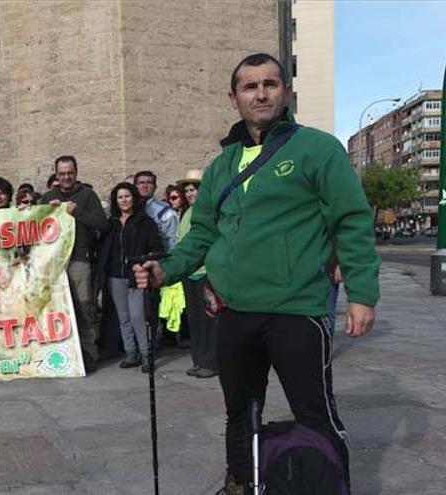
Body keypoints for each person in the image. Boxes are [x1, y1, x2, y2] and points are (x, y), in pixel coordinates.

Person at [134, 53, 379, 494]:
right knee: (240, 413)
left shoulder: (318, 149)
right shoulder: (221, 166)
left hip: (296, 311)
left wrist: (362, 293)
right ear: (234, 98)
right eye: (250, 86)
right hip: (235, 314)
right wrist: (165, 269)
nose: (261, 93)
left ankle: (334, 485)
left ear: (286, 92)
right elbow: (202, 233)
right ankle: (242, 483)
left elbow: (351, 220)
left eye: (270, 84)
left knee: (315, 413)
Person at [40, 155, 108, 372]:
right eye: (62, 174)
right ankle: (59, 355)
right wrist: (45, 212)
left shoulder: (87, 195)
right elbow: (34, 226)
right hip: (53, 262)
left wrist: (76, 211)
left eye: (70, 173)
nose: (66, 177)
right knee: (54, 310)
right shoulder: (48, 197)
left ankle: (88, 355)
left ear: (76, 173)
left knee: (83, 308)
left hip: (79, 259)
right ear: (56, 175)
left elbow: (102, 224)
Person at [97, 183, 165, 372]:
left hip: (137, 275)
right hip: (115, 275)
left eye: (127, 196)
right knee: (124, 318)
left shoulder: (145, 222)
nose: (124, 200)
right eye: (120, 197)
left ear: (133, 198)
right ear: (115, 200)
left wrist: (144, 264)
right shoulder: (111, 224)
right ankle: (131, 353)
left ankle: (146, 355)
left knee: (137, 317)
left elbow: (156, 248)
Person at [175, 169, 218, 379]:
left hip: (205, 273)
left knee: (208, 319)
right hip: (190, 273)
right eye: (188, 190)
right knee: (194, 319)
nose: (190, 194)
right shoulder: (187, 213)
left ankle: (211, 362)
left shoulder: (209, 211)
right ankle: (199, 359)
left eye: (194, 189)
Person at [134, 170, 179, 250]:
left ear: (155, 187)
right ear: (135, 186)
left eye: (149, 183)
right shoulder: (127, 208)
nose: (145, 186)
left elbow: (171, 240)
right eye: (141, 183)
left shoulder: (166, 212)